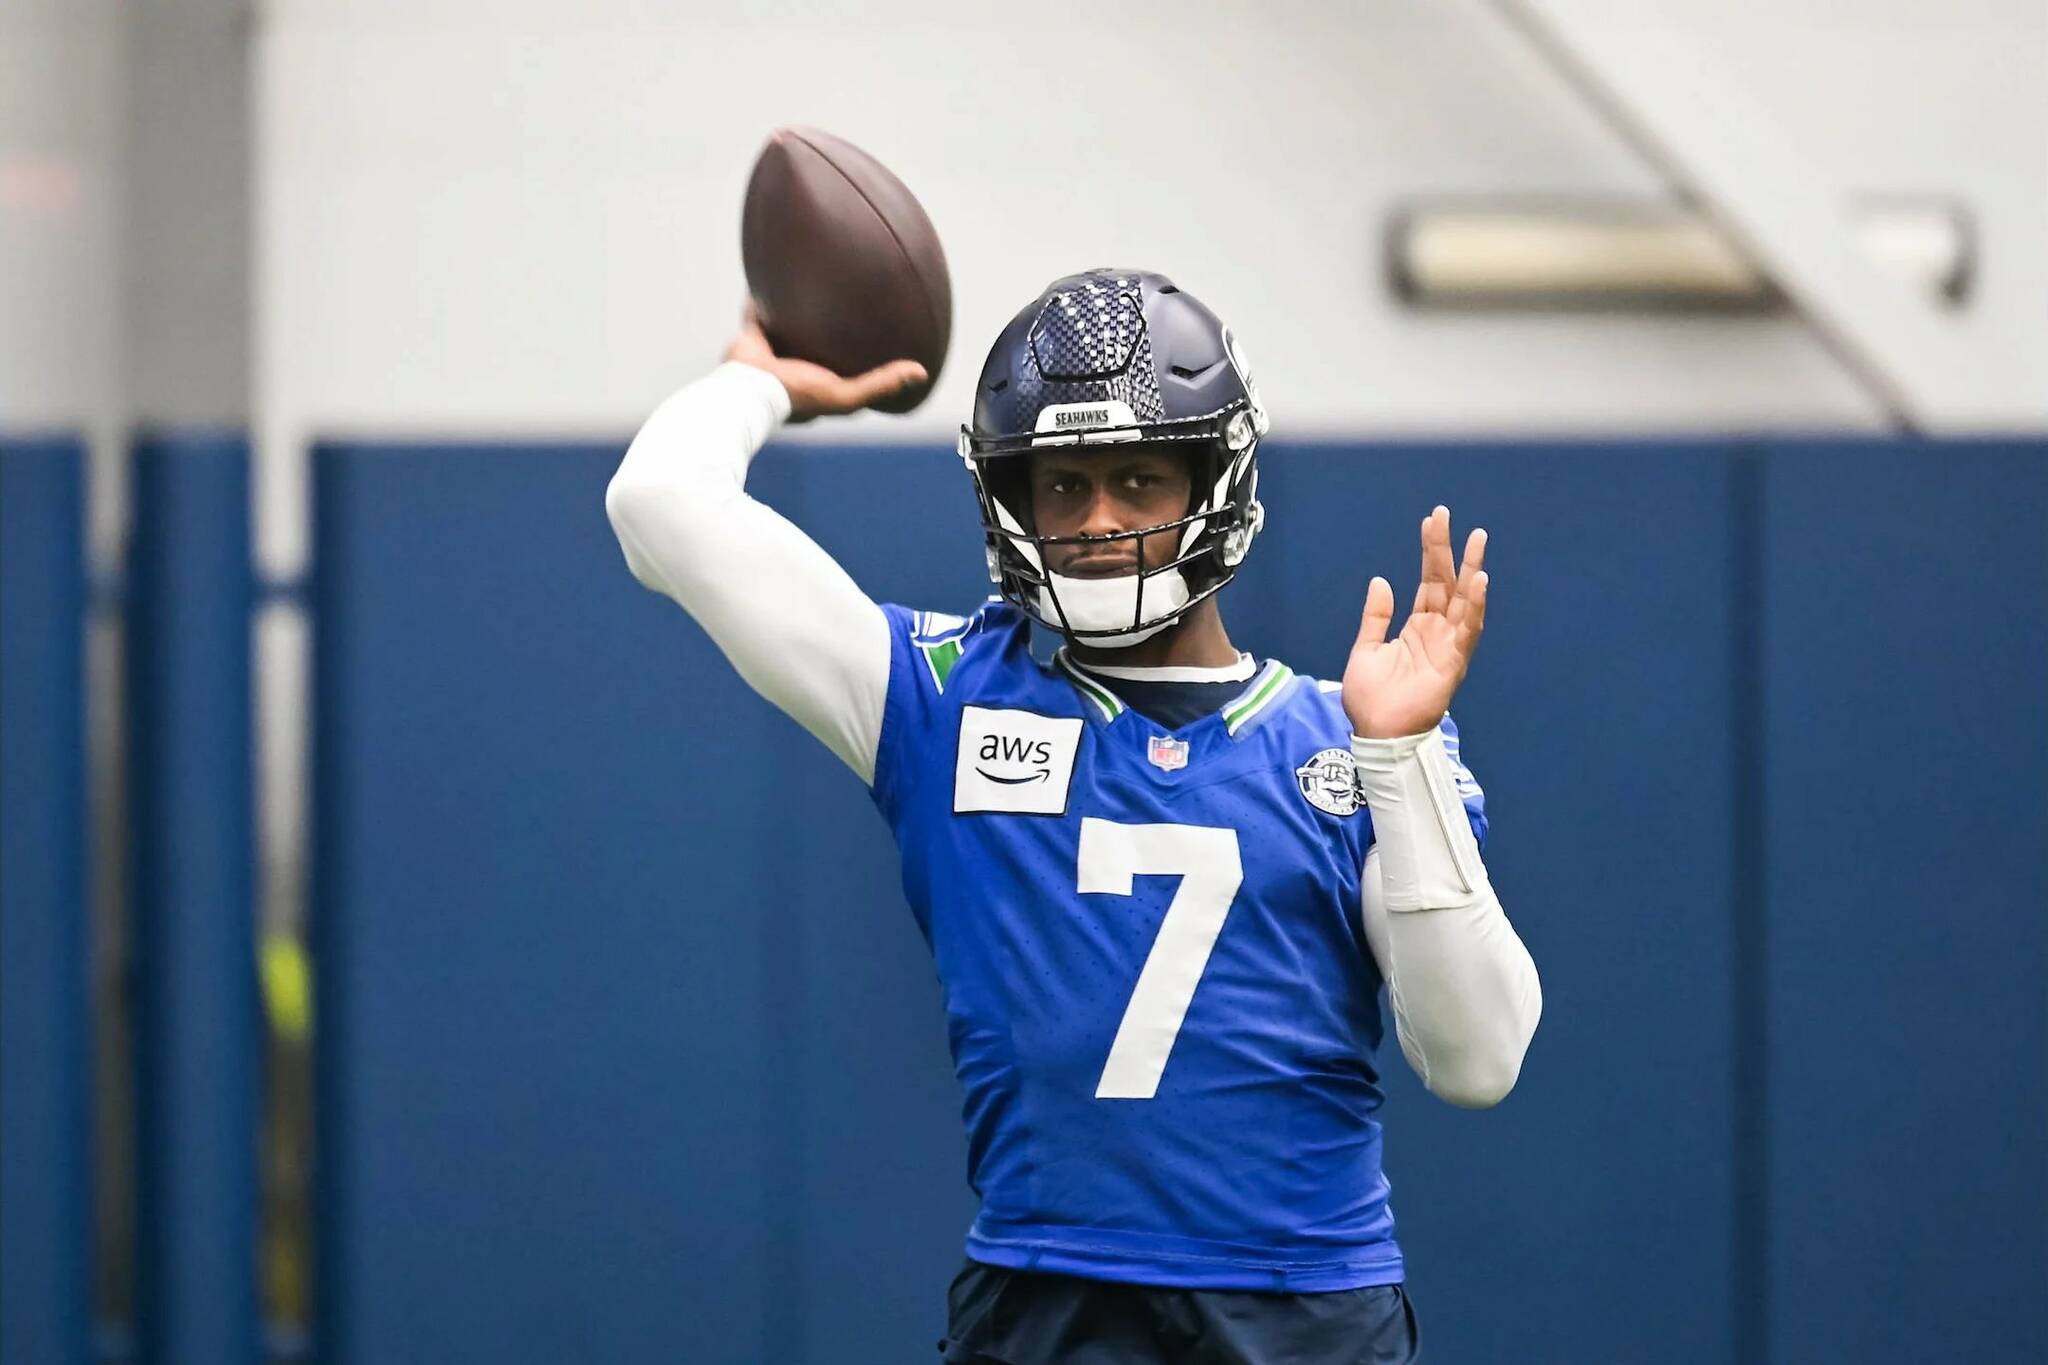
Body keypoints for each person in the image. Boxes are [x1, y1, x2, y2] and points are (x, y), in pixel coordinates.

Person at [605, 269, 1541, 1364]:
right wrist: (752, 385)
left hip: (1302, 1314)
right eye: (1063, 487)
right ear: (1012, 503)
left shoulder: (1347, 737)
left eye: (1139, 479)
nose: (1099, 521)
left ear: (1212, 481)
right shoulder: (942, 698)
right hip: (1047, 1303)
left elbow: (1476, 1058)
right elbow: (660, 505)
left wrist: (1398, 755)